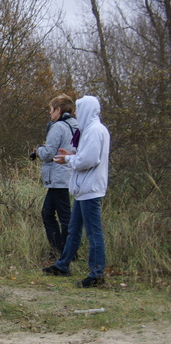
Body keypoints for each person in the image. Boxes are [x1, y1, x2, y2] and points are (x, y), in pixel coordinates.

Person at [42, 95, 110, 288]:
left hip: (90, 189)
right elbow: (86, 155)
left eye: (79, 110)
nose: (76, 114)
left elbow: (89, 161)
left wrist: (69, 160)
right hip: (83, 189)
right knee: (73, 230)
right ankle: (63, 265)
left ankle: (96, 274)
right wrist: (73, 155)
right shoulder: (89, 130)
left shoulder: (94, 131)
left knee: (93, 233)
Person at [33, 94, 78, 259]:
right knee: (49, 213)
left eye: (51, 110)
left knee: (59, 216)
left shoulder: (58, 127)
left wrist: (39, 151)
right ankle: (61, 250)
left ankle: (66, 252)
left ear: (58, 110)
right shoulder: (76, 125)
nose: (49, 114)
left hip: (58, 177)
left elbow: (48, 153)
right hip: (69, 175)